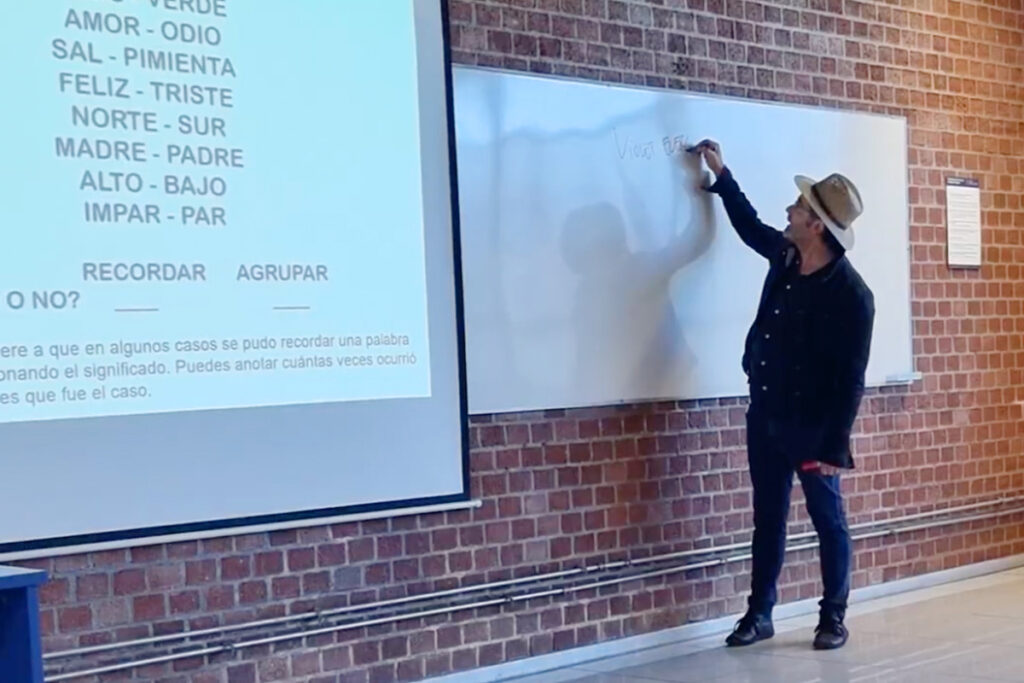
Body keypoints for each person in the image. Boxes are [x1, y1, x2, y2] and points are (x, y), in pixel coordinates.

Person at [688, 140, 875, 650]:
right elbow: (751, 228)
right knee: (768, 518)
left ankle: (832, 617)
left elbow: (851, 378)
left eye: (798, 207)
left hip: (813, 428)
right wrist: (723, 176)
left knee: (827, 521)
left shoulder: (853, 296)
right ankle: (759, 613)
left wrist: (835, 446)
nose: (789, 211)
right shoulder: (788, 257)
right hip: (767, 413)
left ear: (817, 225)